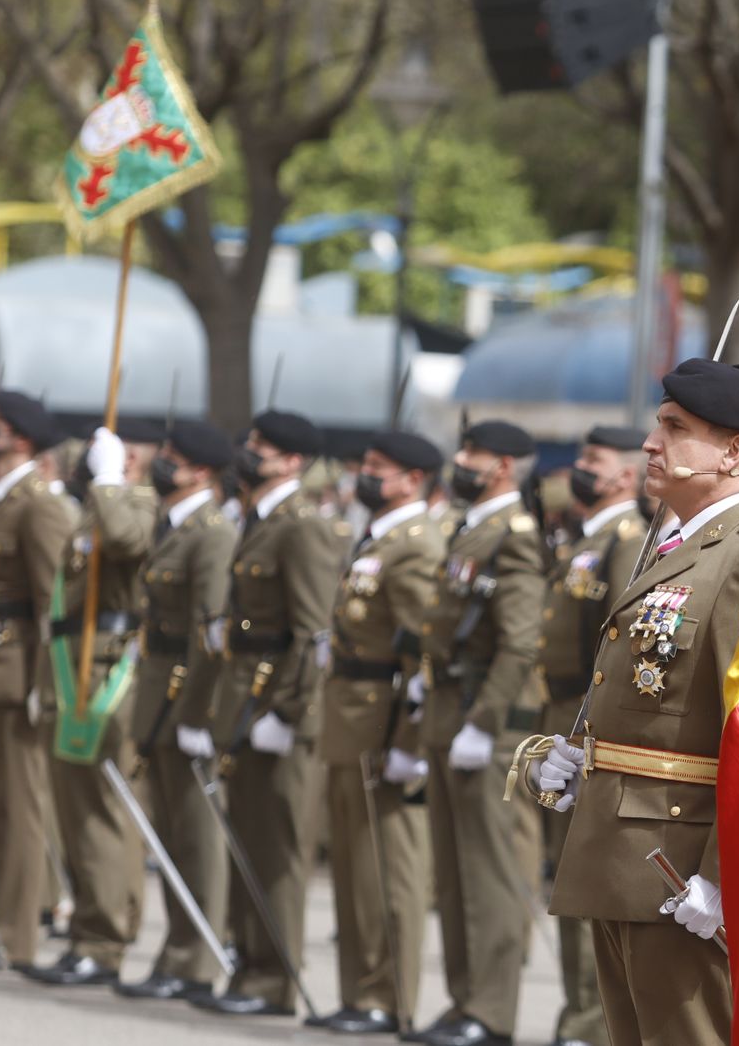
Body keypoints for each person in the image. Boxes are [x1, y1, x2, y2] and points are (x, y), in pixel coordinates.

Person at [524, 359, 739, 1046]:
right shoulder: (678, 543)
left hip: (676, 857)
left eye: (675, 428)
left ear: (734, 451)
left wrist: (722, 875)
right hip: (620, 843)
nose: (651, 445)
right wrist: (579, 759)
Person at [191, 410, 340, 1017]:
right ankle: (247, 966)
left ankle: (274, 981)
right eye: (250, 442)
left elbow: (312, 631)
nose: (250, 453)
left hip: (277, 704)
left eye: (264, 447)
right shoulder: (258, 517)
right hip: (243, 698)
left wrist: (291, 710)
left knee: (277, 850)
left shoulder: (301, 525)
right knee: (247, 838)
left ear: (292, 463)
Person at [411, 420, 549, 1046]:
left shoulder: (513, 535)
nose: (459, 461)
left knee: (486, 872)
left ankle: (490, 1013)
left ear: (500, 467)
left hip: (483, 724)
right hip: (449, 711)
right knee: (452, 870)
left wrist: (484, 723)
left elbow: (520, 642)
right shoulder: (473, 528)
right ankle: (464, 1000)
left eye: (470, 453)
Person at [316, 430, 444, 1035]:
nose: (364, 476)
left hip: (386, 726)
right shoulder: (379, 537)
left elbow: (423, 655)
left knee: (388, 868)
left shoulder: (415, 545)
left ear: (413, 480)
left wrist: (413, 747)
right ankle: (358, 990)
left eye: (378, 468)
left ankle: (388, 996)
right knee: (353, 864)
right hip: (350, 719)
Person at [25, 421, 160, 986]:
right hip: (69, 669)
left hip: (109, 677)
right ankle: (86, 929)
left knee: (104, 814)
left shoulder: (138, 503)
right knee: (75, 812)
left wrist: (110, 481)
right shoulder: (94, 508)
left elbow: (129, 543)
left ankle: (106, 939)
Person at [537, 424, 652, 1046]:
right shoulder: (588, 537)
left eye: (593, 459)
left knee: (583, 872)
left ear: (624, 475)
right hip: (560, 714)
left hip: (588, 718)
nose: (579, 467)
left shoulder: (626, 539)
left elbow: (613, 643)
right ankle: (577, 1012)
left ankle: (590, 1019)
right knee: (562, 870)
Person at [117, 420, 237, 1001]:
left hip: (186, 698)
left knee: (196, 836)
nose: (163, 464)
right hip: (158, 691)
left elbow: (212, 634)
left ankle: (195, 959)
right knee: (169, 831)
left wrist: (196, 714)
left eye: (175, 458)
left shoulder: (211, 533)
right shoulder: (173, 525)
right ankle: (177, 949)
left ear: (203, 472)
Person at [0, 392, 74, 972]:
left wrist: (47, 686)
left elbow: (54, 604)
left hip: (15, 673)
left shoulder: (38, 506)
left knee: (18, 811)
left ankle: (14, 936)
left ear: (24, 441)